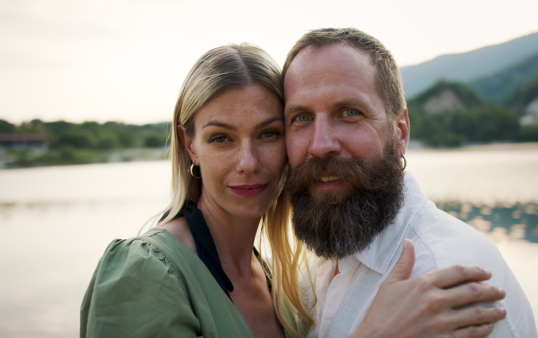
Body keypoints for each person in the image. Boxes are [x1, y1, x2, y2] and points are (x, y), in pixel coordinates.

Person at [80, 43, 507, 338]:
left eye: (268, 133)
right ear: (190, 144)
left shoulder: (280, 281)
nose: (248, 162)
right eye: (221, 138)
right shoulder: (146, 274)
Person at [282, 27, 538, 338]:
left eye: (350, 112)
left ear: (400, 132)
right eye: (301, 118)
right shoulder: (328, 255)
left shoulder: (442, 285)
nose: (320, 144)